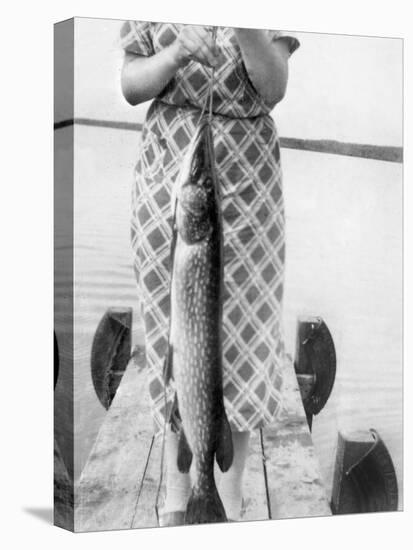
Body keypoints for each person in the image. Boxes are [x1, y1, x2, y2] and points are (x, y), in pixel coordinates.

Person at [120, 21, 299, 525]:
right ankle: (178, 501)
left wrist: (246, 28)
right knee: (173, 338)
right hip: (171, 184)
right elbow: (131, 84)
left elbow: (275, 85)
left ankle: (230, 501)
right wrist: (174, 55)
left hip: (248, 185)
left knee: (244, 339)